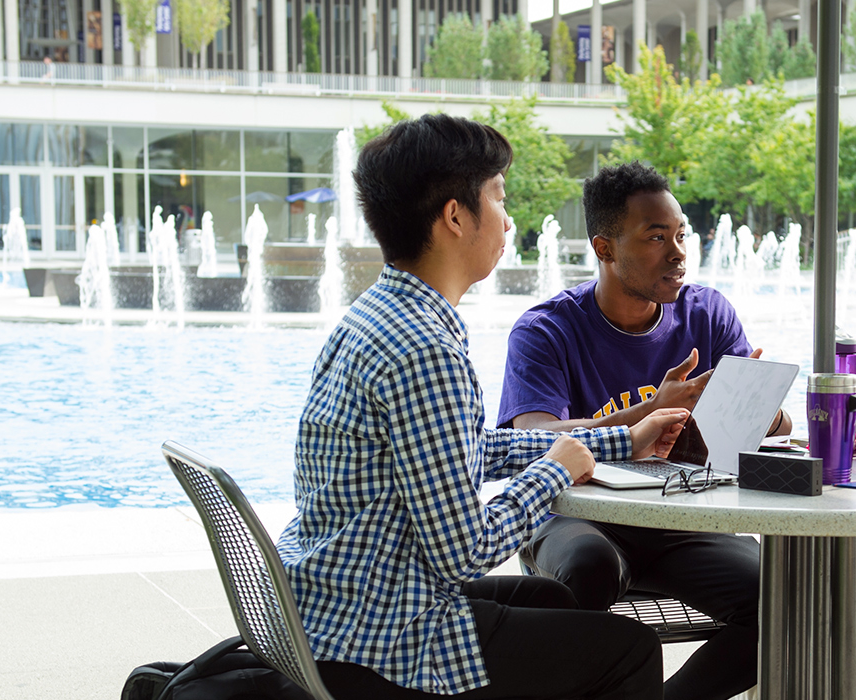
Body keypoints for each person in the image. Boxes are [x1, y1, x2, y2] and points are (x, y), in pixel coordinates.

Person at [276, 114, 687, 699]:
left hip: (333, 604)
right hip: (384, 637)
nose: (509, 217)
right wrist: (553, 472)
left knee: (552, 600)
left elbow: (462, 447)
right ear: (454, 217)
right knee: (629, 651)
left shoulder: (375, 318)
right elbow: (463, 553)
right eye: (498, 198)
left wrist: (621, 439)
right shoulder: (425, 350)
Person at [498, 162, 783, 700]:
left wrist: (756, 405)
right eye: (656, 237)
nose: (678, 252)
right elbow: (533, 438)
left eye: (681, 235)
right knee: (590, 569)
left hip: (683, 521)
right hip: (578, 516)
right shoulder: (546, 330)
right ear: (604, 248)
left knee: (783, 600)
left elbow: (776, 426)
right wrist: (649, 410)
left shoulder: (708, 314)